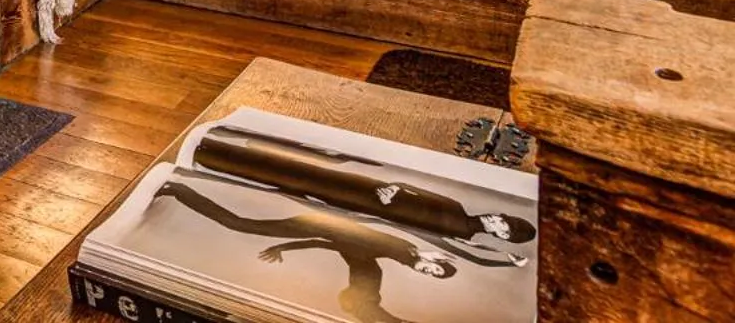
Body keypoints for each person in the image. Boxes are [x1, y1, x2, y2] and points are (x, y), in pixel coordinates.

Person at [194, 127, 536, 259]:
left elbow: (446, 243)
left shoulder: (464, 234)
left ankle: (215, 156)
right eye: (504, 218)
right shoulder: (459, 207)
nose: (497, 219)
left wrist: (507, 262)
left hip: (367, 207)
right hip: (372, 190)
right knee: (308, 173)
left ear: (500, 235)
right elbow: (417, 191)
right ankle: (215, 149)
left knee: (300, 186)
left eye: (503, 227)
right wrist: (395, 188)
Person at [154, 180, 465, 323]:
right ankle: (178, 188)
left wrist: (285, 247)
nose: (429, 272)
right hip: (317, 225)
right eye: (435, 268)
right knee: (239, 223)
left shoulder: (376, 260)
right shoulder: (402, 250)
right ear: (434, 260)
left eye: (432, 276)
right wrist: (286, 244)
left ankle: (178, 189)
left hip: (320, 230)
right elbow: (346, 239)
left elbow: (331, 244)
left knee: (239, 223)